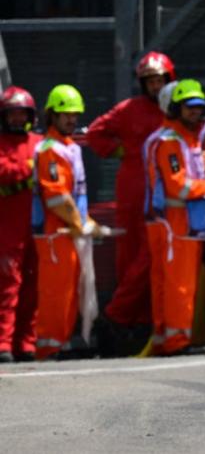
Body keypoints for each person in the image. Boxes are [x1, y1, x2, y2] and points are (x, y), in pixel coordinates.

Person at [86, 51, 175, 355]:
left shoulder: (175, 110)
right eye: (149, 81)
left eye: (159, 80)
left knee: (152, 258)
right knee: (131, 260)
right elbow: (96, 133)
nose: (154, 86)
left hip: (162, 191)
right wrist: (119, 151)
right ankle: (130, 323)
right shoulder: (128, 110)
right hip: (134, 192)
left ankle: (123, 317)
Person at [144, 79, 205, 356]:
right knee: (179, 286)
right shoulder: (170, 143)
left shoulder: (187, 141)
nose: (195, 113)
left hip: (187, 225)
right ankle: (176, 342)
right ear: (176, 109)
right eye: (189, 108)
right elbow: (179, 185)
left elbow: (200, 166)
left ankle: (169, 339)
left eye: (199, 108)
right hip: (175, 225)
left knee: (179, 285)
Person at [33, 85, 103, 359]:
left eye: (75, 115)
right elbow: (56, 196)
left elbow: (76, 195)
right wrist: (80, 222)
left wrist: (86, 221)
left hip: (70, 231)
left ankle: (58, 343)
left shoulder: (70, 148)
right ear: (52, 116)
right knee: (56, 293)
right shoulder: (50, 150)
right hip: (55, 233)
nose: (71, 120)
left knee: (71, 290)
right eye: (65, 115)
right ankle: (48, 346)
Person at [0, 86, 41, 363]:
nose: (17, 119)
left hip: (37, 224)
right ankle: (4, 343)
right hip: (8, 225)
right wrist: (29, 167)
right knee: (8, 284)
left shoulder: (38, 142)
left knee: (34, 284)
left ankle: (26, 342)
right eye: (12, 114)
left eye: (21, 114)